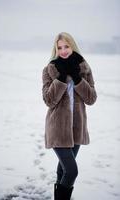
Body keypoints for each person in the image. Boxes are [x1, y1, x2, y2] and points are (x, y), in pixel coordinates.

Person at [42, 32, 97, 200]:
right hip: (58, 129)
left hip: (77, 129)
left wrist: (77, 78)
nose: (64, 50)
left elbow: (91, 98)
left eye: (67, 46)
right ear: (56, 50)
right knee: (72, 171)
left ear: (72, 46)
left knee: (63, 170)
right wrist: (61, 79)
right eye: (60, 48)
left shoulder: (84, 68)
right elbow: (49, 100)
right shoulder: (50, 69)